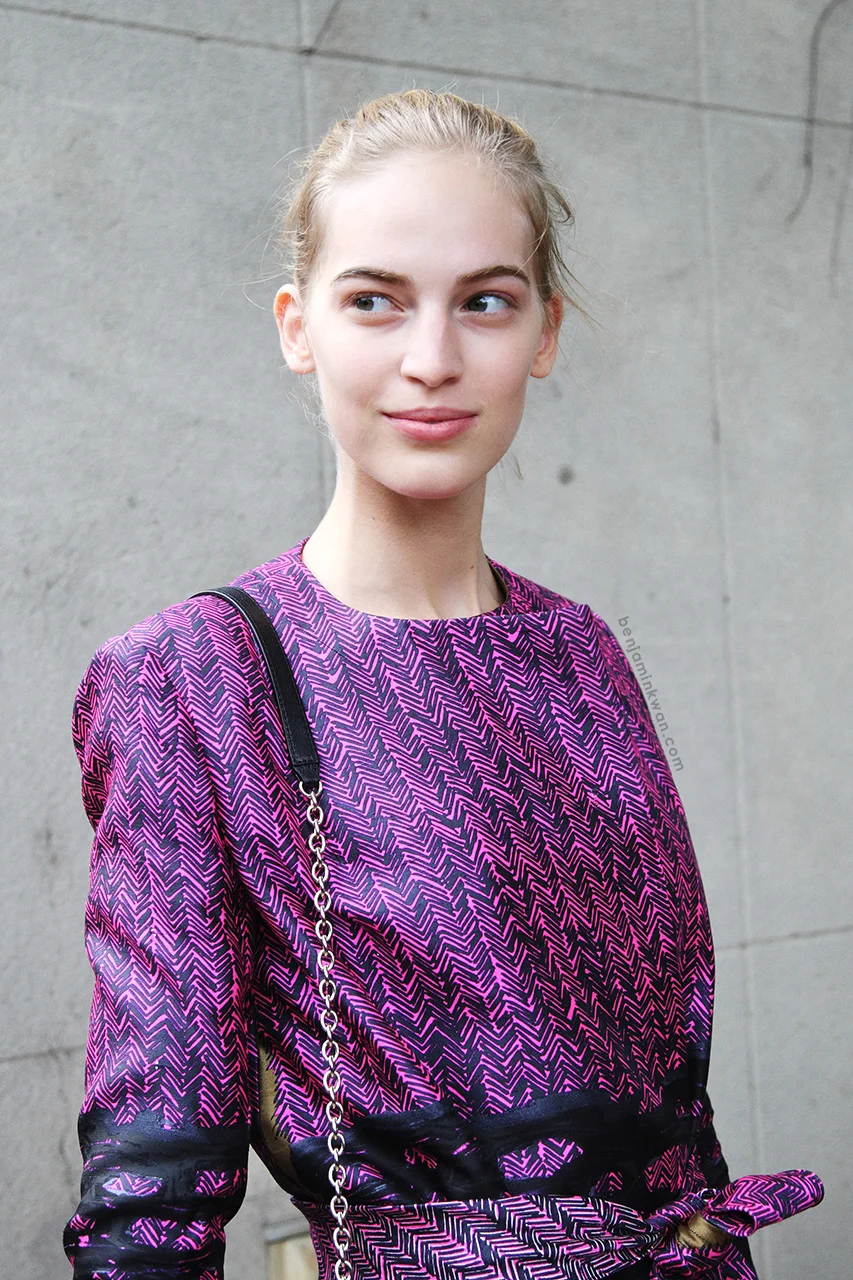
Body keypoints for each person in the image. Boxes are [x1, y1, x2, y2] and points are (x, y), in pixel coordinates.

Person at [64, 89, 822, 1280]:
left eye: (484, 301)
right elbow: (151, 1194)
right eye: (374, 300)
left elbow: (674, 1117)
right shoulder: (189, 680)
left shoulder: (578, 652)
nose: (432, 359)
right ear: (295, 325)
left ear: (545, 331)